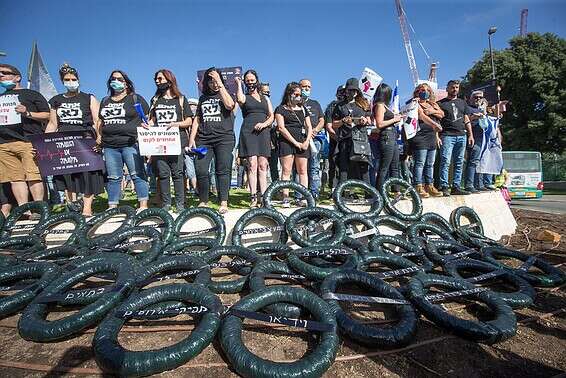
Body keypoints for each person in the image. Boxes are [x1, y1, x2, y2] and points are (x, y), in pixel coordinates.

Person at [46, 64, 105, 216]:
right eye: (67, 79)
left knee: (89, 173)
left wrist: (99, 137)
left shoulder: (88, 97)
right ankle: (71, 206)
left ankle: (87, 208)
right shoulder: (55, 100)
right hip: (63, 139)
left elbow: (98, 119)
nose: (71, 82)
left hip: (85, 137)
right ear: (62, 81)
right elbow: (52, 123)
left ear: (78, 79)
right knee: (66, 173)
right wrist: (44, 143)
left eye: (73, 79)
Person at [0, 64, 50, 217]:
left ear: (17, 77)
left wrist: (27, 112)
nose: (1, 76)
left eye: (5, 73)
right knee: (15, 179)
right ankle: (25, 211)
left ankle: (39, 209)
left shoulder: (32, 94)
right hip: (4, 143)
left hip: (28, 141)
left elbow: (48, 115)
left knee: (33, 176)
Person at [97, 70, 149, 209]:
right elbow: (100, 122)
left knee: (137, 174)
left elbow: (148, 118)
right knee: (113, 177)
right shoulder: (104, 101)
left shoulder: (135, 99)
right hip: (109, 146)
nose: (116, 81)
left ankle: (143, 206)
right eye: (113, 78)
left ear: (126, 83)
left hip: (130, 144)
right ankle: (112, 207)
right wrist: (99, 138)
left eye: (119, 79)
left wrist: (146, 128)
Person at [188, 67, 236, 214]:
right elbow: (197, 119)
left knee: (223, 169)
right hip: (204, 139)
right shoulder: (202, 98)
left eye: (215, 80)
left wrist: (219, 82)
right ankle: (203, 200)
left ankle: (223, 201)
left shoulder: (226, 94)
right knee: (201, 169)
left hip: (224, 138)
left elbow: (230, 105)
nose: (213, 84)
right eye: (211, 81)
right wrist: (191, 139)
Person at [148, 69, 194, 212]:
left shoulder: (180, 99)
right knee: (162, 174)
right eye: (156, 79)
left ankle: (180, 204)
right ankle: (166, 204)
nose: (157, 81)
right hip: (159, 142)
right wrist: (147, 125)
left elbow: (189, 121)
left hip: (177, 141)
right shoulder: (155, 100)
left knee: (177, 173)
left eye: (160, 79)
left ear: (169, 80)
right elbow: (151, 121)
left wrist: (175, 124)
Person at [235, 70, 274, 208]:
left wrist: (263, 124)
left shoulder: (265, 98)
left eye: (252, 80)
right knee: (252, 164)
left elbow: (271, 116)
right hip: (249, 131)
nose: (250, 83)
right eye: (247, 80)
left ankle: (263, 197)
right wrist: (239, 84)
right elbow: (239, 100)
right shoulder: (244, 96)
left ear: (256, 80)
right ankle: (252, 196)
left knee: (263, 164)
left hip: (263, 132)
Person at [275, 82, 312, 207]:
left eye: (300, 95)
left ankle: (303, 197)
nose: (298, 97)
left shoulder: (303, 109)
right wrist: (295, 143)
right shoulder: (280, 109)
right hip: (287, 142)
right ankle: (285, 198)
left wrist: (306, 141)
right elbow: (281, 127)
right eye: (295, 94)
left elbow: (309, 126)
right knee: (286, 171)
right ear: (289, 94)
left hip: (302, 141)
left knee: (303, 171)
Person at [437, 80, 474, 196]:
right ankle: (444, 186)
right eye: (452, 87)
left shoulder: (462, 103)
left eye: (457, 87)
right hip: (447, 135)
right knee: (446, 161)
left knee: (459, 162)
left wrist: (470, 135)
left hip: (461, 135)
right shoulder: (440, 104)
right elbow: (436, 121)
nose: (455, 89)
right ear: (447, 88)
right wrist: (437, 136)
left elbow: (466, 119)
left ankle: (456, 186)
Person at [332, 78, 372, 184]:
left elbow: (369, 120)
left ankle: (368, 194)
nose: (352, 92)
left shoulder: (364, 104)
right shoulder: (339, 105)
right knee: (344, 167)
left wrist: (364, 121)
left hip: (360, 139)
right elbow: (334, 124)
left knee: (363, 166)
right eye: (350, 90)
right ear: (346, 91)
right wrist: (343, 120)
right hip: (345, 139)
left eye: (355, 90)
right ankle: (343, 194)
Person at [409, 83, 444, 198]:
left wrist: (432, 112)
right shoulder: (415, 103)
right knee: (420, 163)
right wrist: (434, 124)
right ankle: (418, 185)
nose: (424, 92)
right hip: (420, 135)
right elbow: (422, 116)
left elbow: (442, 114)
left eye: (427, 90)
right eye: (422, 90)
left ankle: (430, 185)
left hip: (431, 136)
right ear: (417, 91)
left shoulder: (432, 104)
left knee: (430, 163)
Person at [373, 83, 402, 191]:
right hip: (386, 137)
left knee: (395, 166)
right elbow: (379, 124)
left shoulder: (385, 106)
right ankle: (379, 192)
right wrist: (394, 119)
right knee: (384, 167)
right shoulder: (380, 105)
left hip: (392, 136)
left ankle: (396, 191)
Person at [300, 79, 325, 201]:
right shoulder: (295, 103)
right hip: (301, 139)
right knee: (300, 168)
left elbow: (322, 120)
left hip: (315, 139)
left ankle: (314, 193)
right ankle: (299, 195)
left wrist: (314, 130)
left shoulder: (315, 103)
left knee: (314, 167)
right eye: (304, 87)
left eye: (308, 87)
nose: (306, 89)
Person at [464, 90, 493, 192]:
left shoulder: (484, 109)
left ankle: (479, 184)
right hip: (473, 137)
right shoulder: (468, 108)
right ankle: (469, 184)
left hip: (483, 138)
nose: (478, 99)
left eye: (480, 97)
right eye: (476, 97)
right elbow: (465, 120)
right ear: (471, 98)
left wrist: (484, 112)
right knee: (473, 161)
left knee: (481, 161)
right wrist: (474, 116)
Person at [324, 85, 344, 191]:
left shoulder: (348, 106)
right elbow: (329, 126)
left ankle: (346, 190)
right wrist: (337, 138)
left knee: (345, 167)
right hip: (335, 141)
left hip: (347, 141)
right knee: (333, 165)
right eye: (341, 92)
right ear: (336, 94)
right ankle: (333, 189)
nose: (343, 94)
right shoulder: (332, 106)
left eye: (344, 92)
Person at [184, 98, 199, 195]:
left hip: (200, 149)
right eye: (190, 106)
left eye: (194, 106)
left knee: (202, 171)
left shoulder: (200, 121)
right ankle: (196, 189)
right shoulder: (185, 122)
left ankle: (205, 189)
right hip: (187, 150)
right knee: (190, 172)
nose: (192, 108)